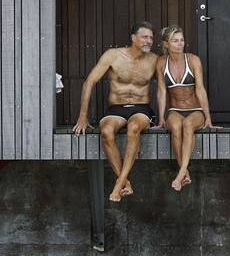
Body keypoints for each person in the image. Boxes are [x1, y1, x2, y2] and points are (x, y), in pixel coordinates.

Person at [72, 22, 158, 202]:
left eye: (151, 37)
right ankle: (124, 181)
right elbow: (89, 82)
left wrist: (167, 117)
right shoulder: (113, 56)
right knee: (106, 132)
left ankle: (118, 186)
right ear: (133, 38)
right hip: (116, 109)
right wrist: (82, 116)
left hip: (141, 109)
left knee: (134, 128)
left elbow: (168, 87)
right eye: (144, 37)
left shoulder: (155, 60)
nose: (148, 41)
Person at [156, 25, 218, 191]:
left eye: (182, 40)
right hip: (175, 110)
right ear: (166, 44)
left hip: (195, 110)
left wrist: (208, 117)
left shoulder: (193, 60)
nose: (180, 43)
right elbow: (161, 91)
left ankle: (181, 172)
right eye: (175, 41)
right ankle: (185, 173)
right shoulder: (162, 62)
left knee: (188, 125)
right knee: (176, 126)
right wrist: (161, 117)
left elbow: (200, 89)